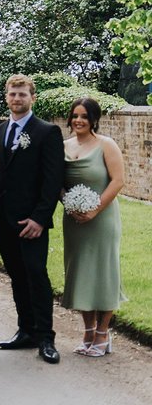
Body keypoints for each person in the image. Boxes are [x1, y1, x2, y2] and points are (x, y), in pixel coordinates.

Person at [0, 74, 64, 364]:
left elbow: (52, 179)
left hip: (32, 222)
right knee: (16, 276)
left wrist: (40, 218)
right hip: (1, 218)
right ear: (6, 96)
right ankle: (26, 330)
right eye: (12, 94)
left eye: (22, 94)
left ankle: (46, 337)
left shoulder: (47, 132)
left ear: (33, 97)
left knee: (36, 274)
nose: (16, 99)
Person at [62, 97, 126, 358]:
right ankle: (88, 330)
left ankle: (103, 332)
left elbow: (118, 181)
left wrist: (95, 209)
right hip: (74, 220)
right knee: (80, 274)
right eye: (75, 115)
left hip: (102, 220)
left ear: (93, 120)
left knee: (103, 273)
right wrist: (69, 203)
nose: (79, 120)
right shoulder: (63, 146)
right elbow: (56, 182)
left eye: (84, 116)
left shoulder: (105, 145)